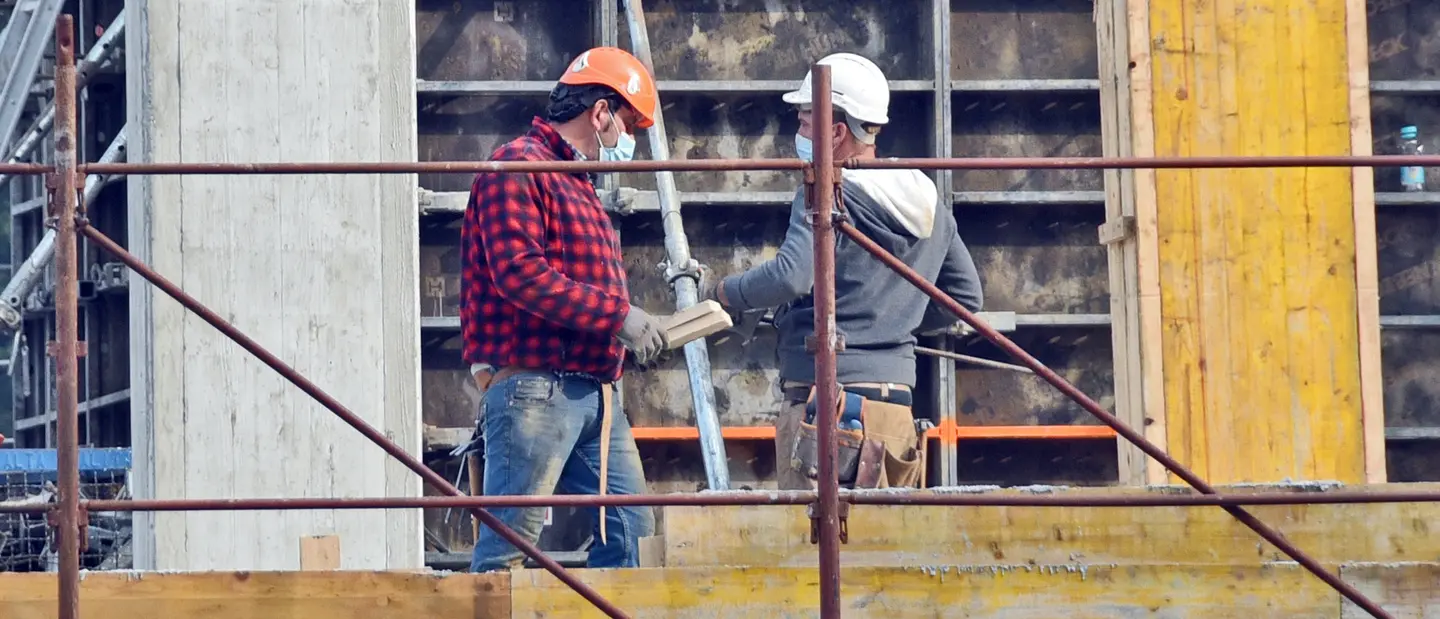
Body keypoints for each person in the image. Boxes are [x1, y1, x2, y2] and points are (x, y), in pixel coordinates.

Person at [703, 52, 984, 490]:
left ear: (835, 132)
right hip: (895, 413)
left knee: (815, 547)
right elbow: (966, 299)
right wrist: (894, 323)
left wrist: (726, 291)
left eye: (802, 121)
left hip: (825, 411)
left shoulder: (825, 193)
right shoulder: (928, 201)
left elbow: (790, 276)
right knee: (884, 553)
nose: (796, 133)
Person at [460, 46, 669, 572]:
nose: (630, 141)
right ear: (600, 113)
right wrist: (617, 317)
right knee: (508, 551)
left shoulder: (573, 182)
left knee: (633, 540)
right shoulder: (518, 167)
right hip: (536, 389)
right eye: (627, 124)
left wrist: (624, 323)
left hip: (594, 392)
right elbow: (520, 274)